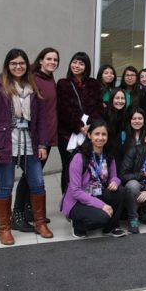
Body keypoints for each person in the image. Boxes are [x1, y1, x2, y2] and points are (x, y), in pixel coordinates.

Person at [0, 49, 54, 245]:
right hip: (5, 143)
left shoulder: (33, 87)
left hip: (30, 142)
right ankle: (4, 229)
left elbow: (40, 121)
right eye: (14, 63)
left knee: (38, 183)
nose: (18, 66)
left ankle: (40, 223)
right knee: (5, 186)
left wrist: (42, 144)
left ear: (26, 65)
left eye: (22, 63)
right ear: (8, 65)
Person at [12, 47, 59, 232]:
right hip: (37, 137)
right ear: (40, 60)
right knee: (30, 176)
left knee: (32, 176)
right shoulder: (32, 78)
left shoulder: (50, 78)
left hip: (48, 136)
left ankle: (30, 210)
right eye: (49, 58)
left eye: (55, 59)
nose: (52, 62)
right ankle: (17, 214)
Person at [60, 120, 126, 238]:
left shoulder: (108, 156)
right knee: (102, 218)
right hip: (77, 201)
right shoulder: (79, 157)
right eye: (97, 134)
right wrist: (102, 206)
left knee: (120, 191)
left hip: (96, 192)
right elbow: (75, 191)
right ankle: (78, 225)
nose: (100, 138)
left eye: (103, 134)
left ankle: (111, 228)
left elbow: (114, 177)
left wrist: (115, 182)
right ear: (89, 135)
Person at [56, 52, 103, 194]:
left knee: (86, 165)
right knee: (68, 166)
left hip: (89, 133)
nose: (77, 66)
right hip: (67, 134)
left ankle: (85, 195)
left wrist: (90, 126)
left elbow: (98, 107)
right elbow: (63, 109)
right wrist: (79, 127)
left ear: (86, 66)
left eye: (81, 63)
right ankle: (67, 199)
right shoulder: (63, 83)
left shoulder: (94, 84)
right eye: (74, 62)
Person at [104, 88, 129, 166]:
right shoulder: (104, 114)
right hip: (106, 152)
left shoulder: (126, 115)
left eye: (123, 98)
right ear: (112, 99)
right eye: (117, 98)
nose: (120, 101)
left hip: (120, 153)